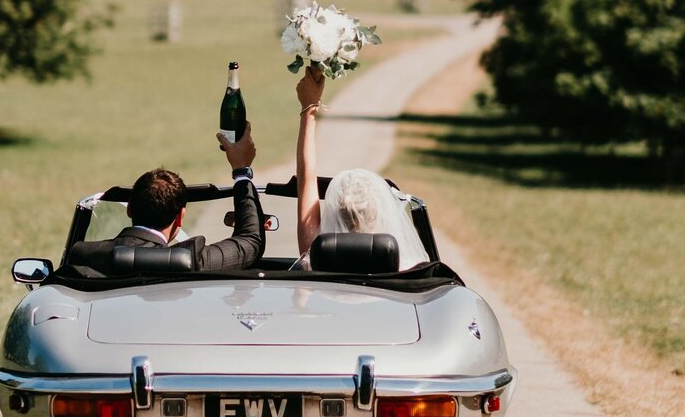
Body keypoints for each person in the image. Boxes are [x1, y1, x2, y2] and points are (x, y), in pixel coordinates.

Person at [68, 122, 265, 272]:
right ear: (180, 217)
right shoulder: (192, 258)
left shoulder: (83, 255)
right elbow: (249, 242)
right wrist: (241, 171)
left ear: (129, 208)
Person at [295, 71, 428, 270]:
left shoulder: (315, 258)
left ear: (335, 211)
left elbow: (306, 177)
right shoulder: (409, 270)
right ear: (381, 212)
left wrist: (309, 107)